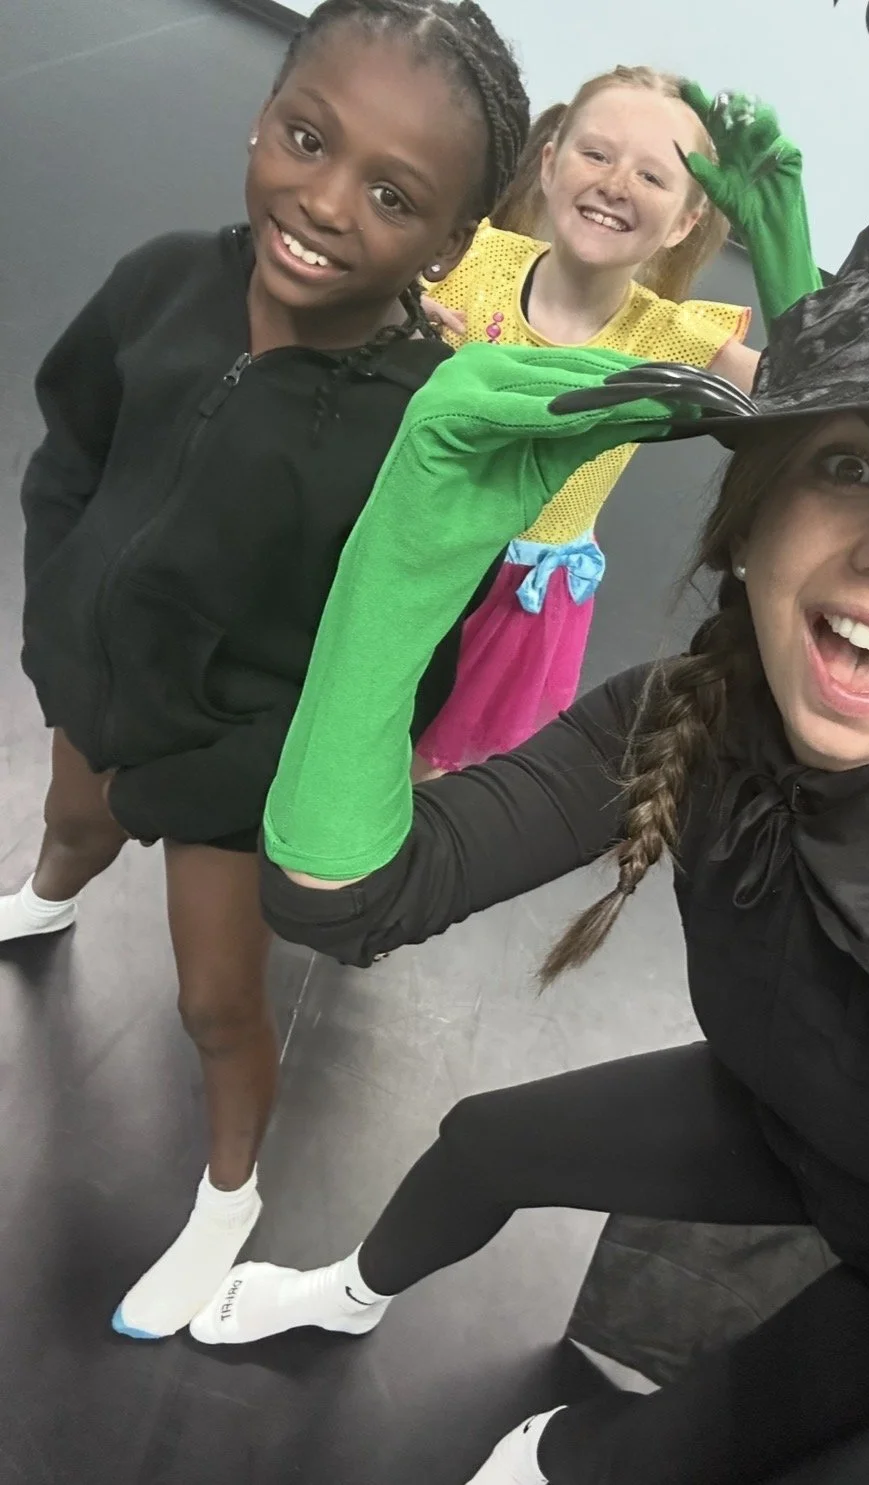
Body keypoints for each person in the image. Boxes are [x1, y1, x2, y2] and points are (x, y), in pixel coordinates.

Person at [195, 0, 869, 1479]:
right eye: (847, 466)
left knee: (596, 1461)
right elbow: (339, 895)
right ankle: (345, 1298)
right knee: (479, 1141)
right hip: (782, 1110)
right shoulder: (691, 704)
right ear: (755, 520)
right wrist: (405, 545)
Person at [0, 0, 530, 1342]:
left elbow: (392, 682)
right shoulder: (163, 278)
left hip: (240, 761)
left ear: (450, 244)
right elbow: (69, 447)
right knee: (72, 816)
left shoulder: (421, 439)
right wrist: (60, 620)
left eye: (391, 194)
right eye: (306, 138)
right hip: (99, 680)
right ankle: (47, 898)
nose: (325, 202)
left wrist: (207, 773)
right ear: (265, 113)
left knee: (216, 997)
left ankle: (227, 1197)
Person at [411, 67, 822, 776]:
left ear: (687, 221)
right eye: (597, 154)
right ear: (549, 163)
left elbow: (814, 394)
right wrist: (399, 317)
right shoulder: (472, 261)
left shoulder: (672, 337)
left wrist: (780, 232)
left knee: (426, 776)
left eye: (653, 177)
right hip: (412, 551)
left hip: (517, 600)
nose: (615, 183)